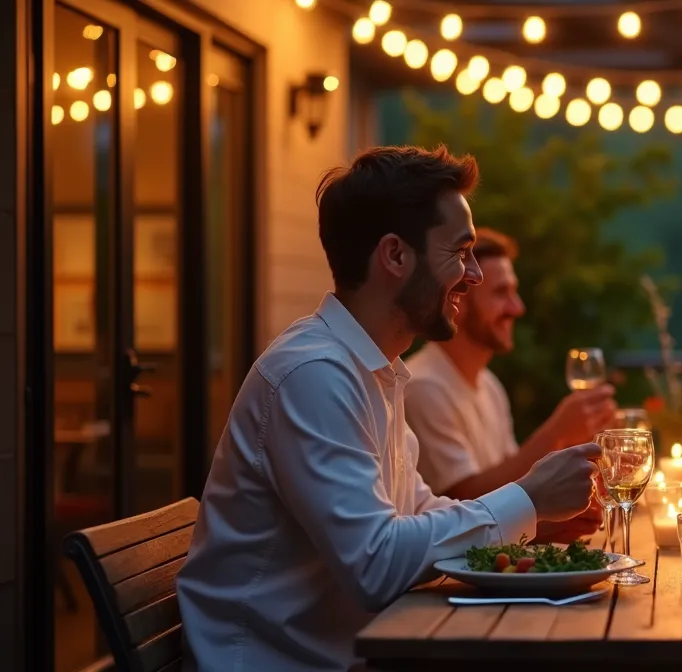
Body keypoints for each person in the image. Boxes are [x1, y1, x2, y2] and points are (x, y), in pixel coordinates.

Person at [176, 146, 601, 672]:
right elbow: (376, 564)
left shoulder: (371, 369)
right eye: (460, 252)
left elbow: (416, 512)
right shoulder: (314, 374)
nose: (472, 274)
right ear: (395, 256)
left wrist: (531, 521)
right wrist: (527, 497)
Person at [404, 227, 613, 541]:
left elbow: (512, 483)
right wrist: (556, 433)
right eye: (501, 293)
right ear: (458, 300)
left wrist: (550, 523)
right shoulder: (423, 387)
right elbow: (465, 499)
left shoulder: (489, 385)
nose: (517, 308)